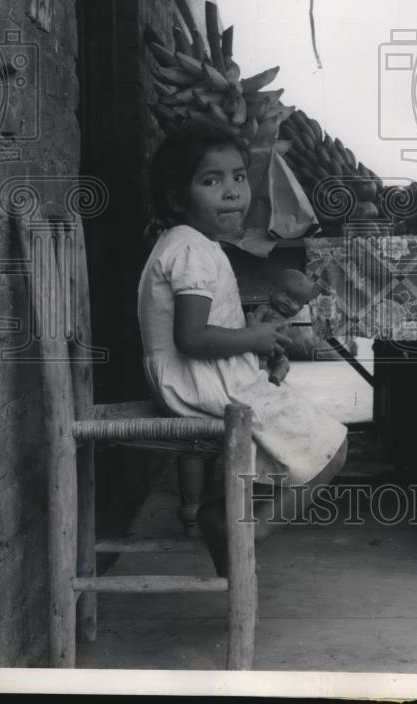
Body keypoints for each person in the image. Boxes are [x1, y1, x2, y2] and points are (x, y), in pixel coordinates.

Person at [138, 121, 348, 577]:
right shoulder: (193, 250)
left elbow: (208, 329)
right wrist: (251, 340)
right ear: (178, 198)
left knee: (292, 439)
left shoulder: (188, 244)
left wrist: (253, 338)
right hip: (197, 384)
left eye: (237, 177)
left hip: (197, 378)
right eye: (211, 181)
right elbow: (190, 338)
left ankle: (224, 513)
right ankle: (244, 532)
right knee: (332, 448)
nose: (232, 191)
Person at [251, 269, 314, 386]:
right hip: (260, 348)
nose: (288, 302)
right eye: (284, 294)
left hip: (276, 353)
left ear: (300, 309)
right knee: (261, 362)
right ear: (271, 291)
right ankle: (261, 376)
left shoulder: (287, 320)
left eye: (295, 301)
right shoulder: (265, 310)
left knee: (284, 363)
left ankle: (276, 377)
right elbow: (252, 324)